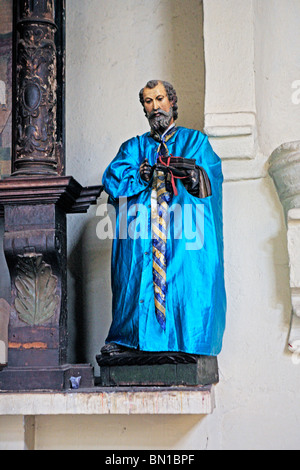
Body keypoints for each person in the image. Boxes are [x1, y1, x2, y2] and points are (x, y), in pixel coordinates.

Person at [101, 80, 226, 356]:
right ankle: (128, 339)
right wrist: (141, 175)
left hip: (182, 232)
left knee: (186, 281)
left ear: (172, 103)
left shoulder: (195, 142)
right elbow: (112, 179)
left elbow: (210, 179)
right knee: (134, 280)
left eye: (160, 99)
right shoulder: (132, 148)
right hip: (142, 235)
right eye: (148, 101)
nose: (155, 106)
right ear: (144, 109)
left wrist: (194, 177)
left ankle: (189, 342)